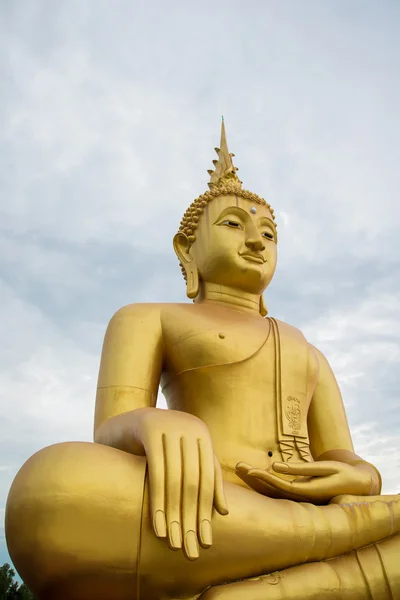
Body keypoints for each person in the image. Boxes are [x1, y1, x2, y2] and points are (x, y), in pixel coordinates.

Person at [6, 121, 400, 599]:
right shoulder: (146, 318)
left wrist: (363, 475)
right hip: (202, 506)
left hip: (283, 515)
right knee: (49, 494)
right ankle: (349, 550)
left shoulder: (306, 349)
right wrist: (146, 422)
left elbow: (342, 457)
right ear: (186, 248)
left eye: (269, 233)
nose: (256, 240)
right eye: (234, 224)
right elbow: (110, 428)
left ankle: (289, 581)